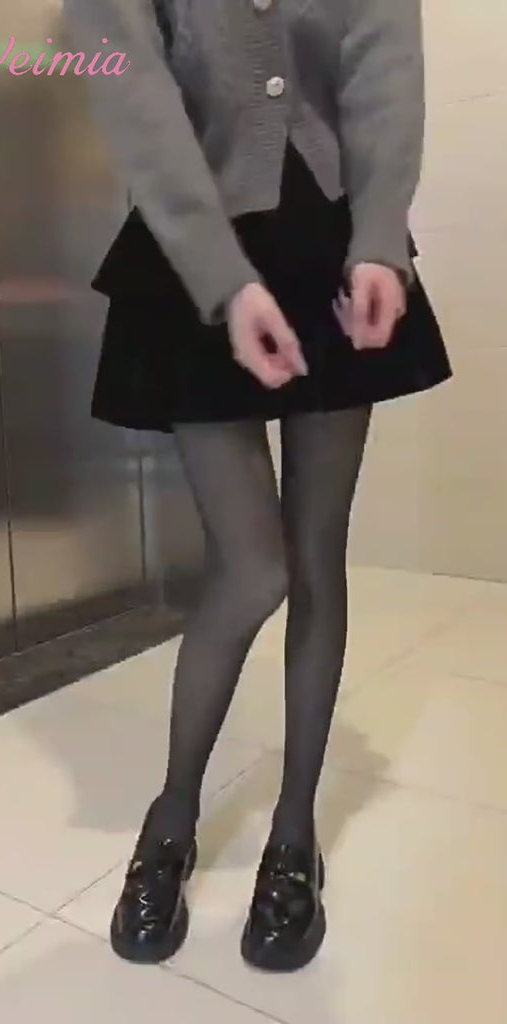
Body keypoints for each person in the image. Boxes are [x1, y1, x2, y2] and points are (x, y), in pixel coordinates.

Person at [64, 0, 451, 973]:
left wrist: (379, 237)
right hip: (194, 249)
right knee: (253, 568)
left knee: (316, 556)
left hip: (331, 242)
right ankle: (171, 816)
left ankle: (293, 834)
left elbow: (383, 70)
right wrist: (223, 279)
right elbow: (135, 89)